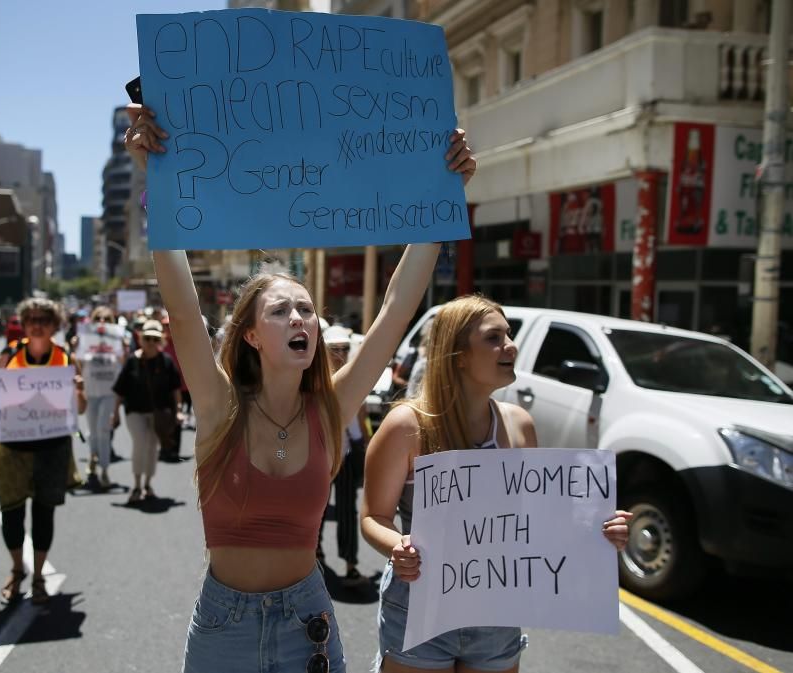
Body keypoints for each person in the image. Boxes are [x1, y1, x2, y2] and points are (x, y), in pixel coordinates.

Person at [124, 102, 475, 673]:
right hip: (224, 627)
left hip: (307, 620)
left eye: (307, 311)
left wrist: (444, 193)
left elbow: (394, 311)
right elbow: (185, 315)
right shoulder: (217, 408)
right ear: (253, 336)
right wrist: (155, 180)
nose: (300, 320)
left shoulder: (332, 409)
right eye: (282, 310)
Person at [360, 295, 633, 672]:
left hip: (497, 610)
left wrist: (597, 533)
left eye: (509, 334)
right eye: (494, 337)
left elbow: (534, 522)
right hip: (421, 603)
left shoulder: (519, 425)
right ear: (459, 355)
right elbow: (373, 516)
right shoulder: (406, 426)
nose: (511, 345)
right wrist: (399, 546)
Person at [0, 298, 87, 605]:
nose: (36, 324)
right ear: (23, 322)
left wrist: (78, 390)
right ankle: (18, 569)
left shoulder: (65, 357)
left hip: (52, 447)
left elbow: (80, 408)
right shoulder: (9, 355)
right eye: (31, 319)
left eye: (44, 319)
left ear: (54, 325)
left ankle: (38, 576)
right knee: (12, 513)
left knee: (44, 513)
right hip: (12, 448)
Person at [318, 325, 371, 588]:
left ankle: (350, 564)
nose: (340, 354)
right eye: (334, 349)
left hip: (348, 453)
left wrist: (366, 442)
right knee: (315, 508)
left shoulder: (354, 377)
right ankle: (314, 558)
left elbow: (359, 417)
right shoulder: (314, 379)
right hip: (320, 454)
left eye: (345, 349)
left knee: (348, 510)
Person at [111, 319, 183, 502]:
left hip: (158, 412)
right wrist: (115, 413)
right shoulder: (132, 362)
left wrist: (179, 410)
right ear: (141, 339)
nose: (151, 342)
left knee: (152, 447)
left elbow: (175, 388)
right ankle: (136, 484)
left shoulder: (166, 362)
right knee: (140, 443)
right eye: (147, 338)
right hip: (134, 411)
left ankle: (148, 483)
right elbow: (120, 390)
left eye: (155, 339)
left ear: (160, 341)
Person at [79, 305, 126, 488]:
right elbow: (79, 362)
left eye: (106, 320)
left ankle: (104, 469)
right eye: (98, 319)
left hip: (109, 392)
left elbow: (122, 362)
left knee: (103, 430)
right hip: (91, 391)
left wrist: (118, 346)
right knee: (92, 430)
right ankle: (92, 457)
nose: (102, 322)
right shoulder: (85, 339)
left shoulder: (117, 339)